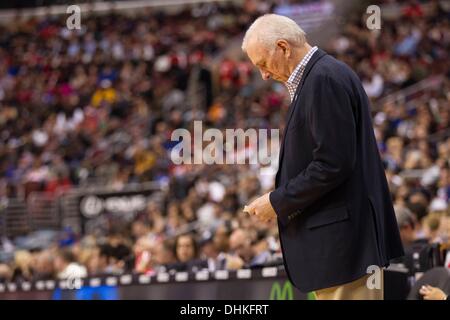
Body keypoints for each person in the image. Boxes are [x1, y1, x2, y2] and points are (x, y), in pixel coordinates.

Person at [242, 14, 404, 300]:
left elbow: (333, 163)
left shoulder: (322, 80)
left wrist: (277, 201)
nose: (264, 75)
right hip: (341, 250)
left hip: (345, 248)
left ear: (283, 47)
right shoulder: (322, 76)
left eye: (263, 64)